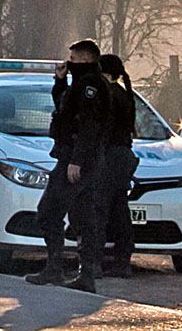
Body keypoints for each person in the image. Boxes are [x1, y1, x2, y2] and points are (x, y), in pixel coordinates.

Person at [25, 39, 110, 292]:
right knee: (82, 216)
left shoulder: (90, 85)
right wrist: (60, 81)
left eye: (71, 59)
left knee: (48, 211)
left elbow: (88, 125)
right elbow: (65, 108)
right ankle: (85, 275)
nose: (67, 63)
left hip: (77, 161)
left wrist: (76, 160)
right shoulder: (82, 84)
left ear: (84, 60)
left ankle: (55, 269)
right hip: (80, 159)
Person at [98, 53, 138, 278]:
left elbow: (104, 128)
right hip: (122, 156)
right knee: (119, 209)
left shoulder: (110, 96)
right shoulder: (124, 94)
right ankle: (122, 260)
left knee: (102, 209)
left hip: (110, 157)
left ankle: (99, 259)